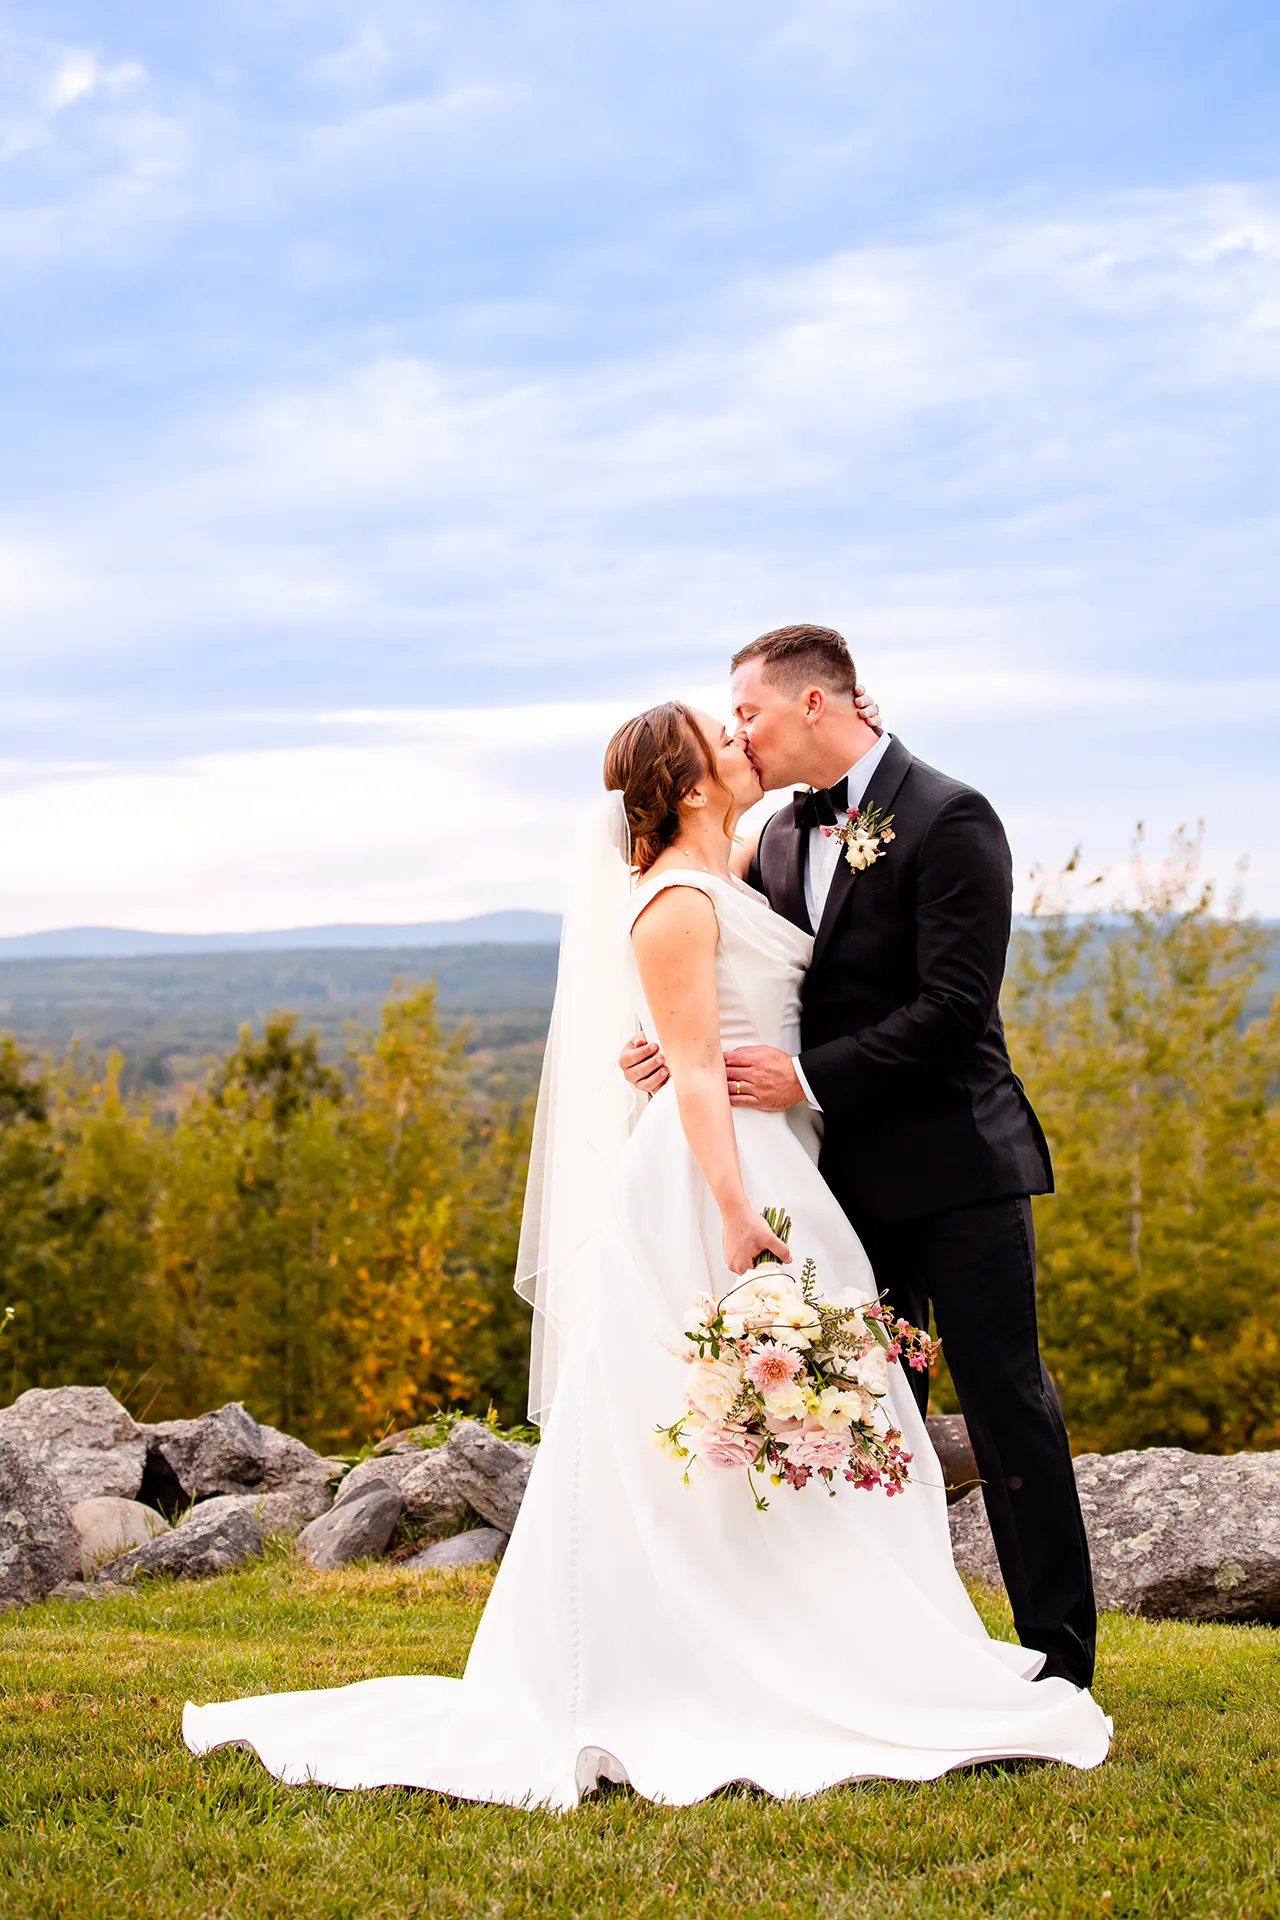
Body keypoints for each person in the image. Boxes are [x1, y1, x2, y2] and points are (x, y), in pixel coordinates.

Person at [184, 700, 1109, 1808]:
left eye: (747, 716)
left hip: (797, 1166)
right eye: (724, 736)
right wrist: (727, 1200)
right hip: (721, 1182)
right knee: (726, 1422)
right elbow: (700, 1061)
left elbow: (747, 1019)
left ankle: (850, 1643)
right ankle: (727, 1657)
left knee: (834, 1420)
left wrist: (677, 1053)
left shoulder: (758, 857)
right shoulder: (674, 896)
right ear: (684, 788)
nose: (742, 741)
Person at [621, 625, 1096, 1689]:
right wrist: (669, 1050)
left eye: (746, 713)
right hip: (832, 1186)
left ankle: (1058, 1659)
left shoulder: (949, 815)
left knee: (1005, 1403)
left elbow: (953, 1008)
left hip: (959, 1170)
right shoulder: (777, 840)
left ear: (816, 706)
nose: (736, 731)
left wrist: (803, 1080)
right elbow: (750, 989)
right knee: (864, 1416)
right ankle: (892, 1648)